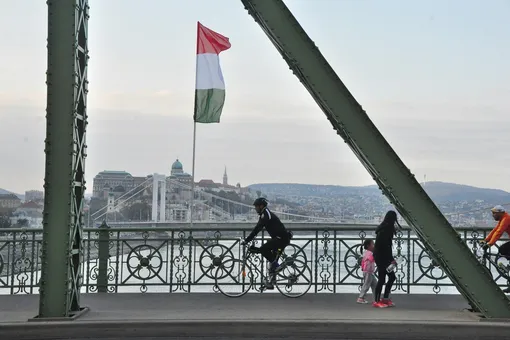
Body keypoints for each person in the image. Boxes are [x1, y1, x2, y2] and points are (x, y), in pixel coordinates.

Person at [242, 197, 291, 289]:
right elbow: (257, 228)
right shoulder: (265, 214)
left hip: (281, 239)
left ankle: (277, 266)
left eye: (256, 206)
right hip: (280, 238)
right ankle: (271, 283)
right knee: (271, 262)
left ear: (261, 206)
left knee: (264, 249)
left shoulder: (266, 214)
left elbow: (258, 228)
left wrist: (247, 240)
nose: (255, 208)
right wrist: (249, 239)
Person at [480, 205, 510, 293]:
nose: (493, 215)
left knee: (503, 249)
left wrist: (490, 244)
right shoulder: (503, 219)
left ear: (500, 212)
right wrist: (486, 240)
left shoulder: (506, 219)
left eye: (494, 213)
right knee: (503, 249)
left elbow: (499, 232)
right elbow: (495, 230)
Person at [373, 210, 398, 308]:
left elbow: (385, 247)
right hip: (381, 258)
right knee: (382, 279)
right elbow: (384, 247)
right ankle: (377, 301)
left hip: (382, 257)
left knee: (390, 278)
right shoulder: (385, 230)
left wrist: (390, 258)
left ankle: (385, 299)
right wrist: (390, 259)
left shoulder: (385, 228)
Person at [357, 239, 377, 304]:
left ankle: (376, 299)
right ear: (368, 246)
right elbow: (372, 258)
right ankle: (361, 297)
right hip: (368, 271)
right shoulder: (369, 253)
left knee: (375, 285)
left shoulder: (366, 252)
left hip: (369, 271)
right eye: (373, 244)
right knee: (366, 285)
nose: (374, 246)